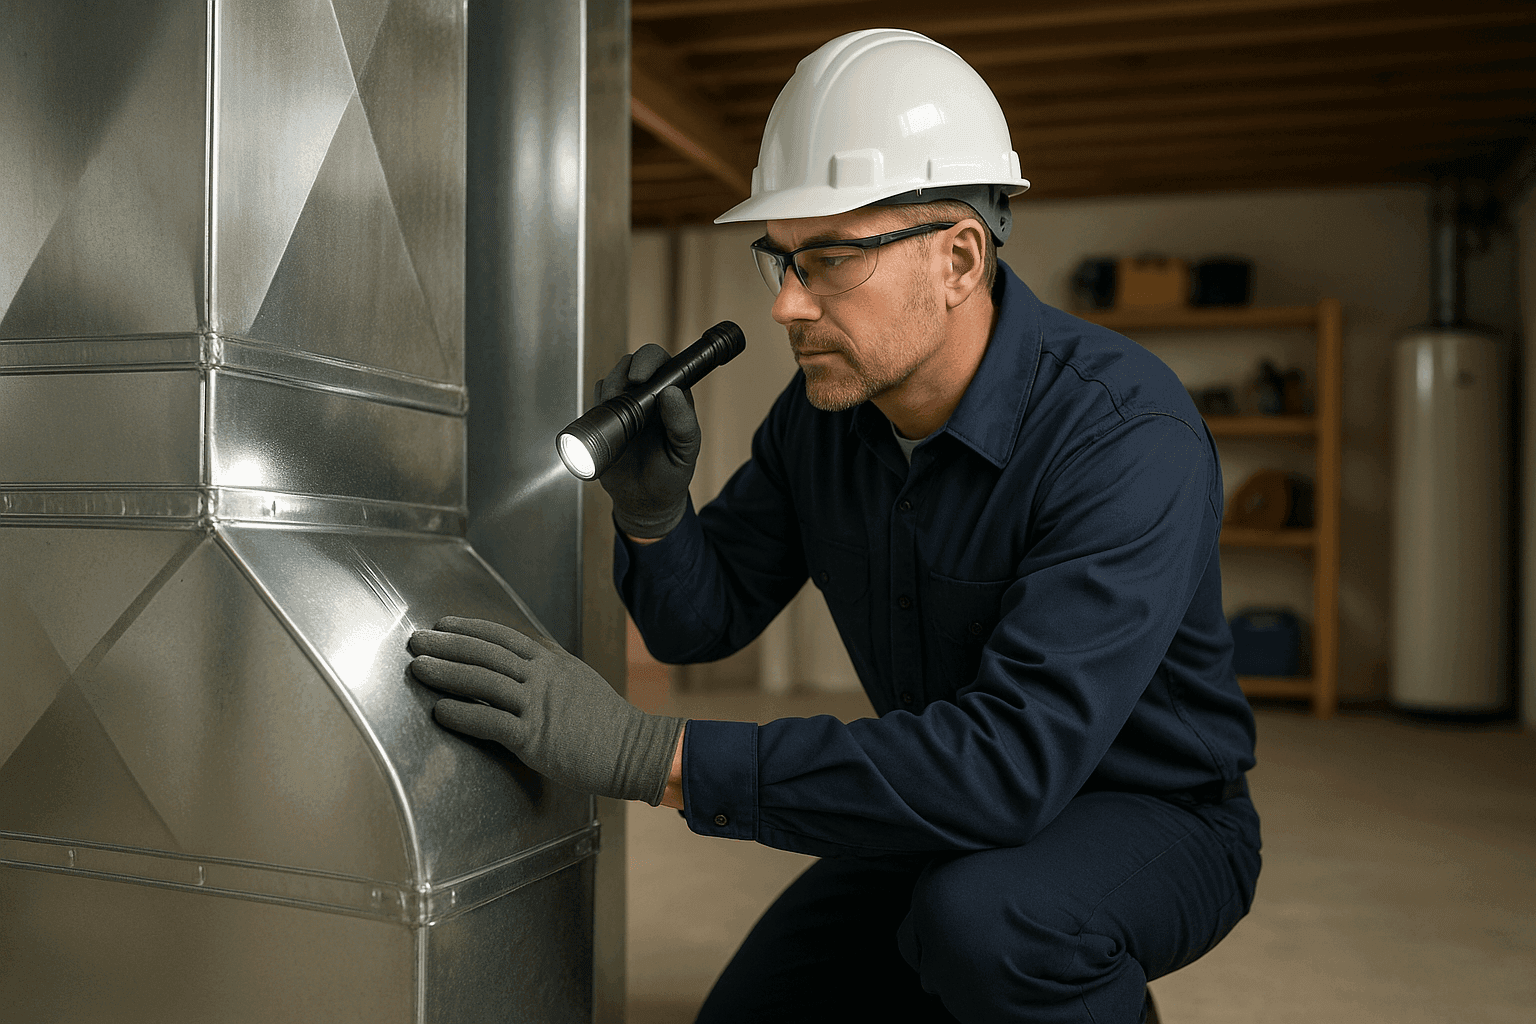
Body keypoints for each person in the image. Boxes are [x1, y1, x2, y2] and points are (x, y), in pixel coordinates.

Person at [407, 28, 1261, 1024]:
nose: (784, 304)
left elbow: (1010, 764)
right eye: (781, 258)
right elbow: (703, 621)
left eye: (828, 261)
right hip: (943, 806)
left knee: (990, 921)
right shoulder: (827, 422)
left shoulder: (1124, 435)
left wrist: (654, 755)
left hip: (1154, 815)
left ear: (959, 257)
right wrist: (654, 515)